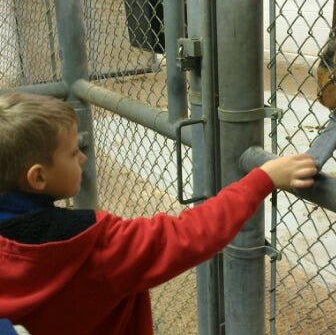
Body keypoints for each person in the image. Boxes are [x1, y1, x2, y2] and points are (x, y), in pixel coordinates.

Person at [0, 92, 317, 335]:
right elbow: (188, 234)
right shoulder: (90, 245)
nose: (83, 157)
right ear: (38, 177)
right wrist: (262, 179)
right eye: (72, 152)